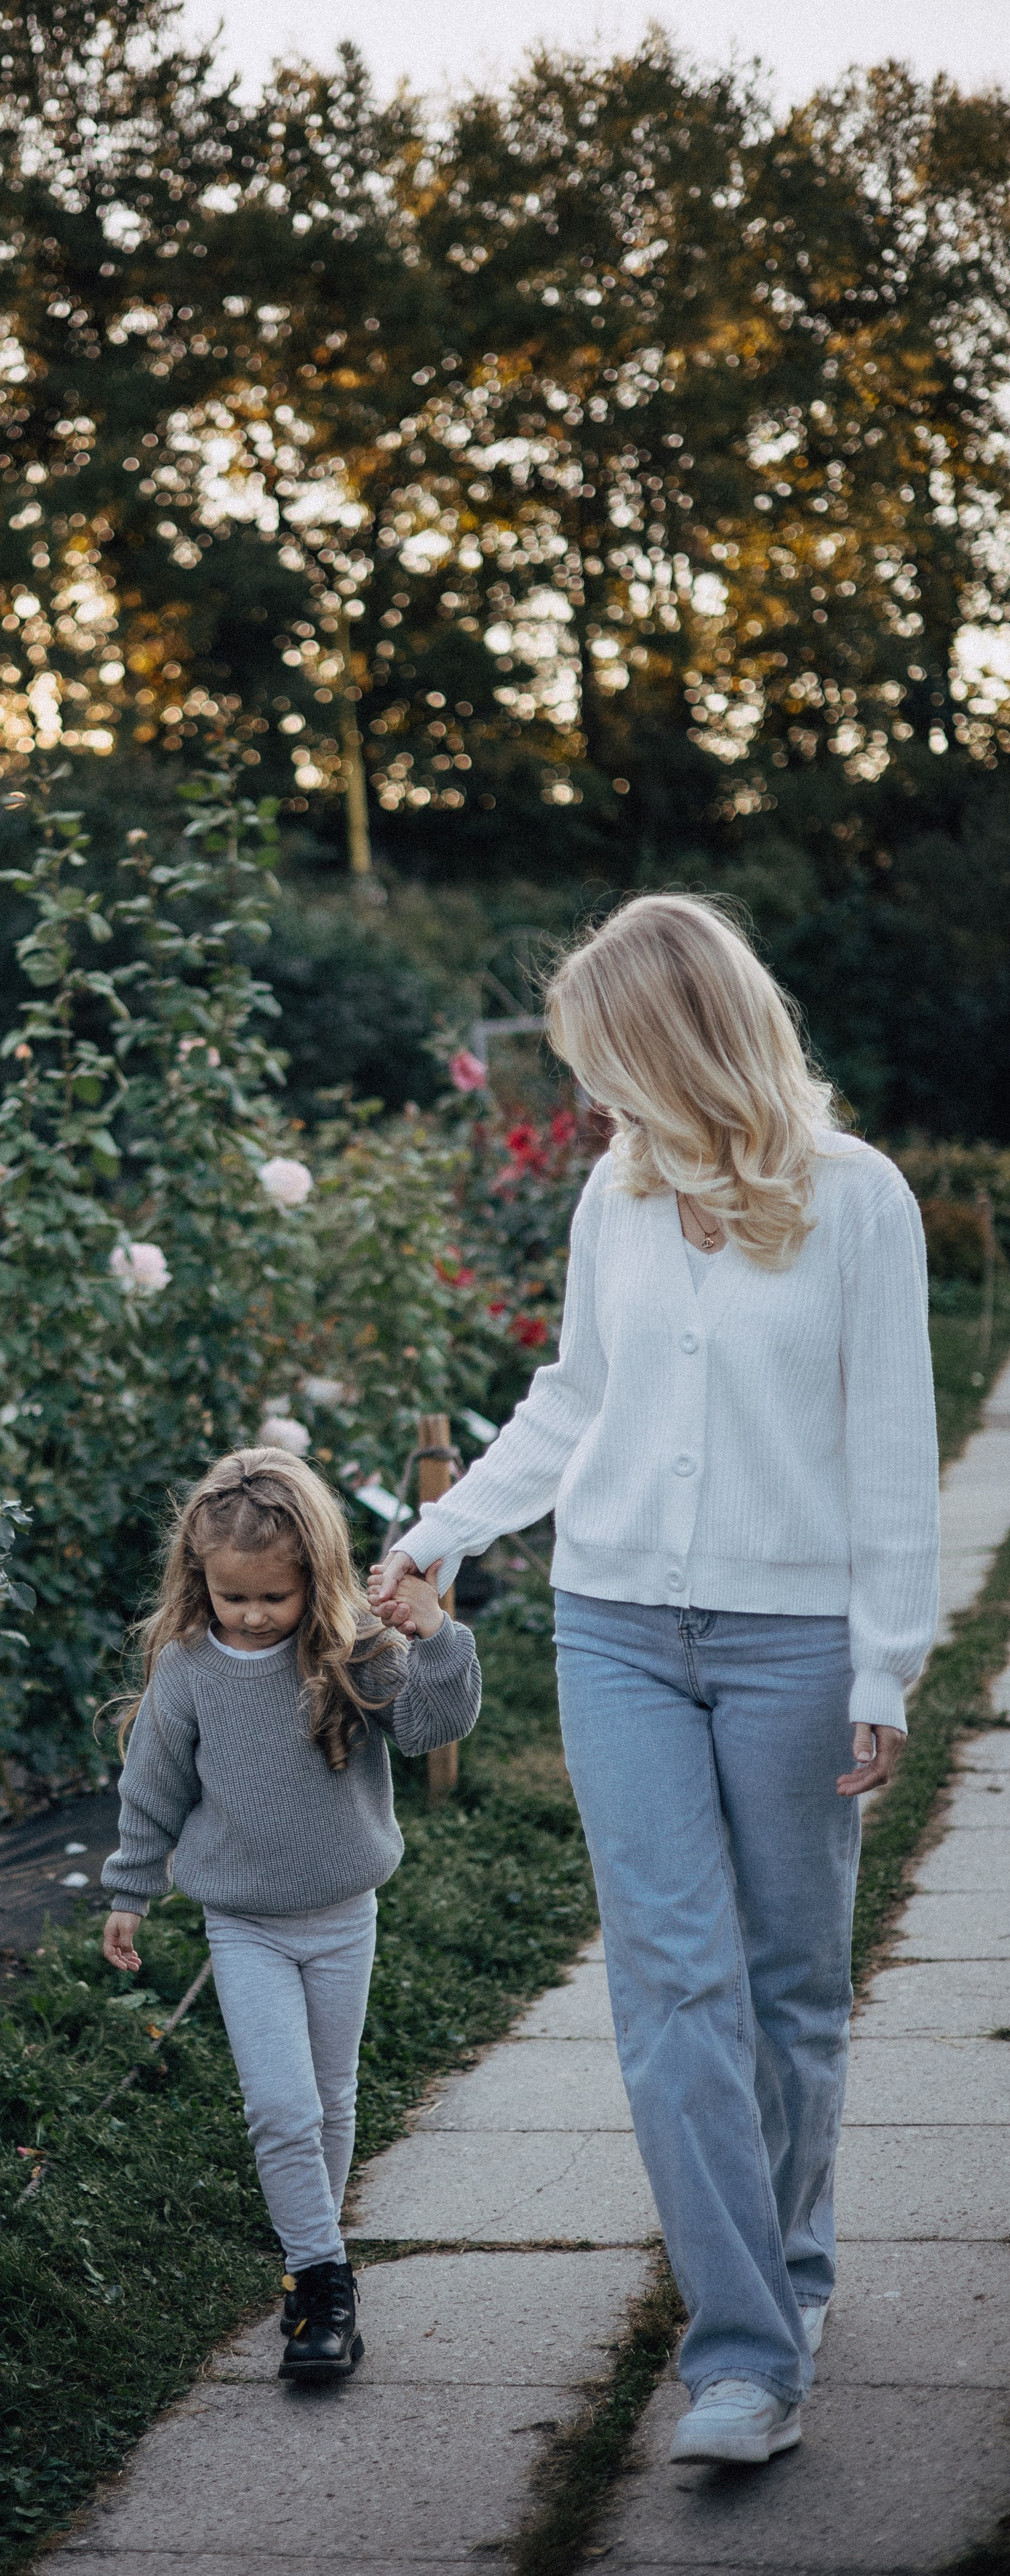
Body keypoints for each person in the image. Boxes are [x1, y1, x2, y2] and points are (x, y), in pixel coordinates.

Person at [370, 893, 939, 2467]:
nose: (587, 1096)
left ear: (680, 1042)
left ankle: (790, 2266)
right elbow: (572, 1400)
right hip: (614, 1629)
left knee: (789, 1992)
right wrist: (437, 1535)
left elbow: (892, 1447)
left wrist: (885, 1662)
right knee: (671, 1989)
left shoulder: (858, 1199)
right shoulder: (613, 1194)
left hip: (792, 1644)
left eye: (603, 1060)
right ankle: (742, 2356)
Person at [100, 1446, 481, 2381]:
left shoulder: (352, 1649)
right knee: (281, 2106)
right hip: (245, 1925)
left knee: (331, 2101)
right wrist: (130, 1889)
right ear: (199, 1578)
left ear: (315, 1573)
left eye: (275, 1596)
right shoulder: (189, 1668)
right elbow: (153, 1782)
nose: (253, 1614)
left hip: (345, 1914)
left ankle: (312, 2265)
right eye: (232, 1596)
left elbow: (433, 1727)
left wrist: (437, 1635)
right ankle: (322, 2280)